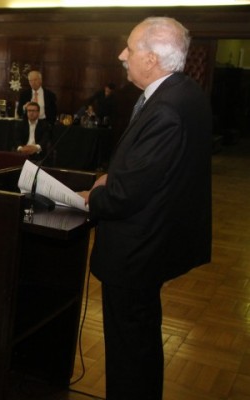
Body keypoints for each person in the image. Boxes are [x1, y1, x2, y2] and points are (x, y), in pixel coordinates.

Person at [78, 17, 212, 400]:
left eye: (131, 48)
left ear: (152, 59)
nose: (122, 55)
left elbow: (126, 196)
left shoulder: (167, 109)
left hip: (138, 248)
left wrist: (94, 196)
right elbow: (150, 168)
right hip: (156, 240)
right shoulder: (185, 92)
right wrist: (114, 177)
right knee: (140, 340)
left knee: (129, 349)